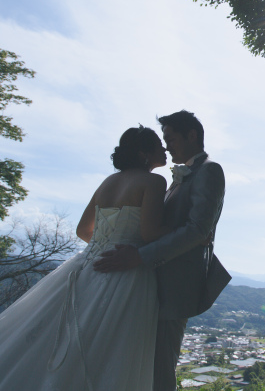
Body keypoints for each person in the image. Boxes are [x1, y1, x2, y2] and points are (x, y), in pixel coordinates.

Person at [0, 126, 169, 391]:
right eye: (159, 145)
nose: (165, 149)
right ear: (143, 153)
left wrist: (104, 246)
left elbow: (83, 230)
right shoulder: (154, 182)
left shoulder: (108, 182)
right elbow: (150, 233)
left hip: (88, 266)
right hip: (124, 272)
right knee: (113, 348)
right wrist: (189, 232)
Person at [94, 110, 226, 391]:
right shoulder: (177, 178)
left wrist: (138, 256)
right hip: (147, 284)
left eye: (171, 138)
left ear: (192, 135)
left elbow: (197, 230)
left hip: (174, 287)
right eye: (163, 140)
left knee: (160, 370)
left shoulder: (209, 171)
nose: (166, 146)